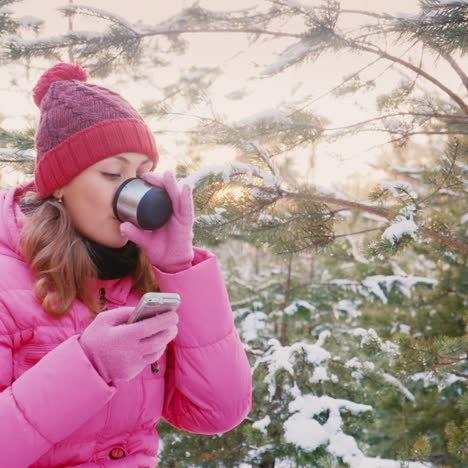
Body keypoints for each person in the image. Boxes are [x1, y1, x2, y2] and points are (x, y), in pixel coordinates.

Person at [0, 62, 252, 467]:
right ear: (59, 184)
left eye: (142, 173)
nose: (132, 191)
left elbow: (216, 413)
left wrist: (179, 268)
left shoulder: (141, 278)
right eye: (112, 173)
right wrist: (89, 365)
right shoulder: (7, 284)